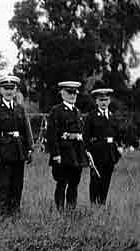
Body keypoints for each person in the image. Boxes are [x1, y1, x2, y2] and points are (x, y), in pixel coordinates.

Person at [0, 75, 33, 217]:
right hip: (3, 151)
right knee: (3, 184)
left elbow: (25, 129)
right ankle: (0, 214)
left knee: (17, 184)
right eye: (6, 89)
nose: (9, 92)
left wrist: (29, 148)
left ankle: (14, 212)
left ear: (16, 90)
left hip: (19, 151)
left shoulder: (20, 108)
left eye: (11, 89)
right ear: (0, 90)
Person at [46, 81, 89, 212]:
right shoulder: (56, 111)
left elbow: (81, 134)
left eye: (75, 93)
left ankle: (71, 211)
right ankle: (60, 211)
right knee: (61, 184)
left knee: (74, 184)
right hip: (63, 154)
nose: (73, 96)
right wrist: (55, 154)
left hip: (76, 154)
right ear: (62, 93)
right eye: (69, 93)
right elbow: (52, 135)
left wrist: (85, 152)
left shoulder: (77, 112)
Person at [83, 87, 121, 206]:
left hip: (110, 154)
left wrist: (118, 149)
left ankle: (102, 204)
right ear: (96, 101)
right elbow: (86, 137)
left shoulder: (112, 116)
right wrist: (87, 153)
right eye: (101, 100)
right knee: (95, 182)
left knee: (106, 181)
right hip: (96, 155)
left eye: (106, 99)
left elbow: (117, 134)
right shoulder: (91, 116)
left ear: (109, 101)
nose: (104, 102)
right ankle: (93, 205)